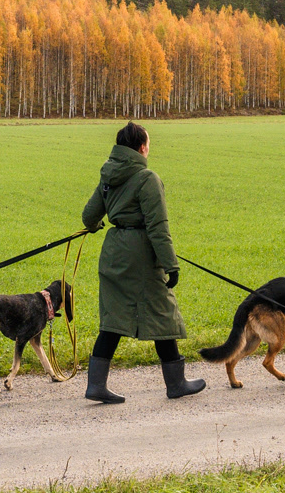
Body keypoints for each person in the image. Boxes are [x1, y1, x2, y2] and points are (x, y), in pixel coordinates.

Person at [79, 121, 205, 403]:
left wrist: (99, 225)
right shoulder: (147, 178)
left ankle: (96, 385)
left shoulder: (108, 175)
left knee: (113, 318)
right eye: (148, 144)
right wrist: (171, 265)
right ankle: (176, 383)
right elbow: (158, 227)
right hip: (141, 256)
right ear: (141, 148)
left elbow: (89, 217)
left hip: (114, 252)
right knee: (162, 312)